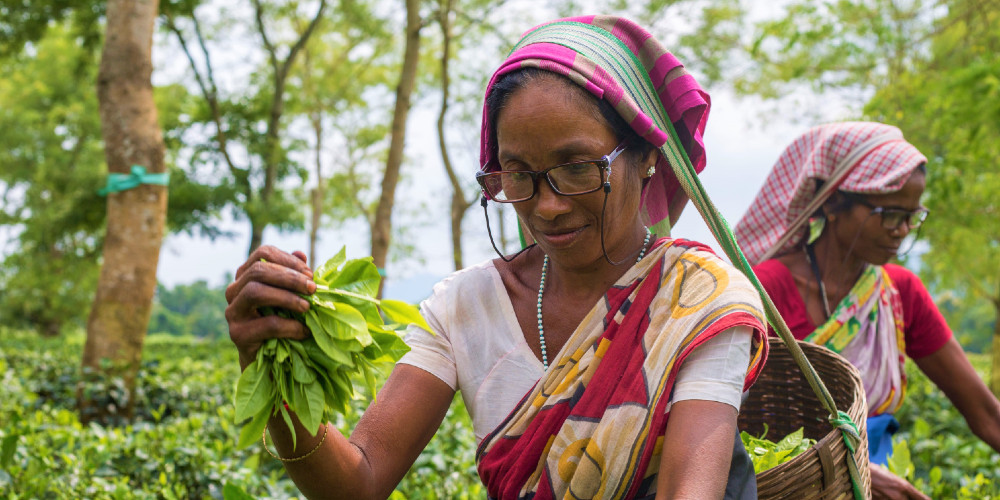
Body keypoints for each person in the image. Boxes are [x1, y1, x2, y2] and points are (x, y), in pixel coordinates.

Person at [226, 15, 768, 499]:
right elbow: (359, 480)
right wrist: (270, 362)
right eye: (518, 174)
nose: (549, 205)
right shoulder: (468, 305)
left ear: (647, 155)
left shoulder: (697, 301)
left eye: (578, 167)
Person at [735, 122, 1000, 500]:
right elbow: (734, 424)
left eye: (912, 215)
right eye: (889, 213)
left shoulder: (899, 293)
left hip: (886, 479)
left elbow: (986, 414)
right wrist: (852, 468)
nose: (902, 229)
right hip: (791, 485)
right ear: (831, 202)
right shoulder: (765, 290)